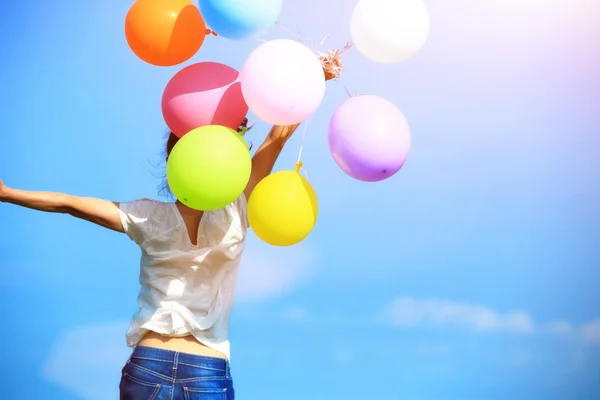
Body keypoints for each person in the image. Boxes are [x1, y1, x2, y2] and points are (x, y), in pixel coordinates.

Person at [0, 121, 300, 399]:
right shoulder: (237, 209)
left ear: (175, 165)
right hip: (207, 365)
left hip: (148, 363)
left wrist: (7, 193)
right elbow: (278, 136)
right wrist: (314, 77)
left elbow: (69, 204)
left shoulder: (149, 216)